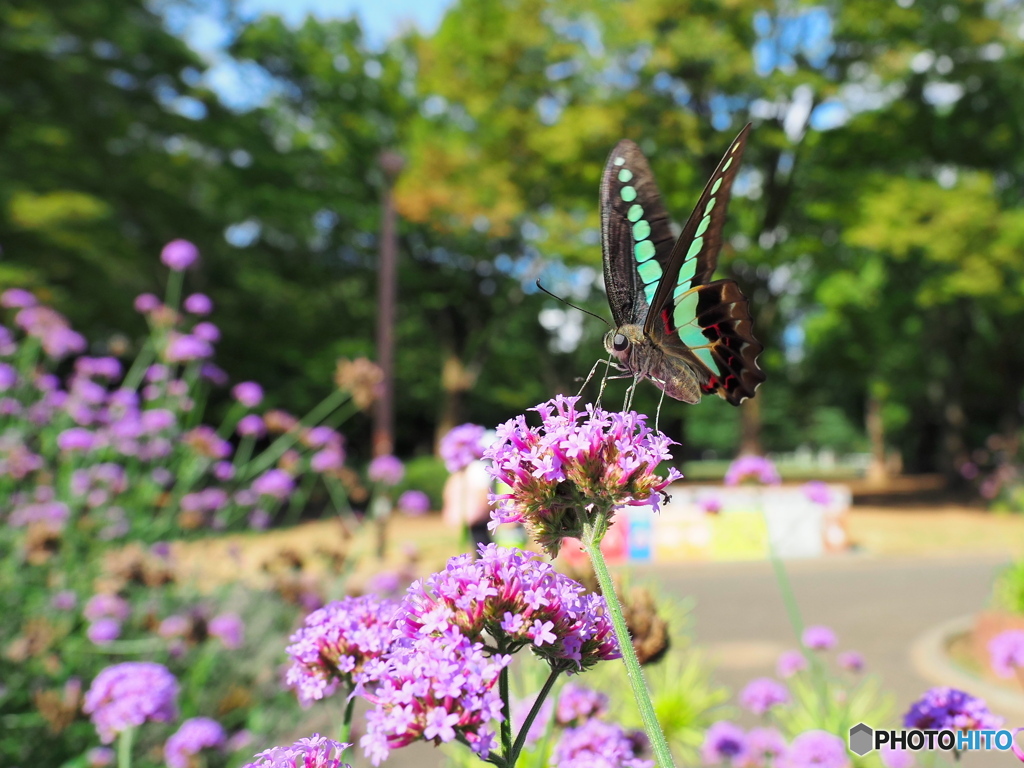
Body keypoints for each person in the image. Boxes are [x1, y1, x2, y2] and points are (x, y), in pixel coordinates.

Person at [442, 458, 493, 553]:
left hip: (473, 513)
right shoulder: (477, 467)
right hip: (476, 513)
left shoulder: (463, 470)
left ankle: (484, 561)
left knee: (478, 539)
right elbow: (484, 492)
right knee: (479, 539)